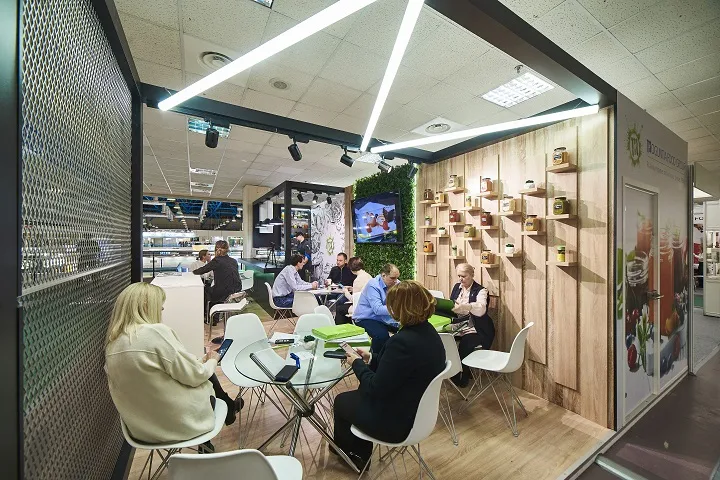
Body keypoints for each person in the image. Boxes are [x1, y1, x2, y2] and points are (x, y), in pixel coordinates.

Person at [105, 283, 240, 447]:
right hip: (181, 425)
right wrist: (213, 360)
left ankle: (229, 410)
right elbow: (196, 375)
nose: (162, 310)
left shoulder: (112, 346)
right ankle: (228, 409)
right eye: (159, 305)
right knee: (207, 377)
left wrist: (198, 363)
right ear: (146, 305)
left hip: (141, 432)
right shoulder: (154, 333)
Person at [332, 281, 446, 470]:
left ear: (399, 308)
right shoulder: (428, 332)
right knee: (355, 398)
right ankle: (354, 451)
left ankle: (354, 455)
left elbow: (375, 387)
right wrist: (371, 358)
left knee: (342, 401)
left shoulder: (402, 342)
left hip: (396, 421)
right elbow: (400, 367)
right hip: (419, 412)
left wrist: (357, 363)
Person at [448, 263, 495, 388]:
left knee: (466, 343)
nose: (461, 279)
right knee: (446, 339)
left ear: (472, 275)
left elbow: (481, 309)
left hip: (478, 328)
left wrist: (466, 306)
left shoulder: (481, 291)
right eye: (459, 276)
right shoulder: (457, 287)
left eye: (464, 276)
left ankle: (463, 375)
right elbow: (452, 304)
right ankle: (451, 369)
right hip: (460, 325)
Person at [352, 263, 401, 354]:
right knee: (381, 336)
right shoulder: (373, 285)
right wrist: (398, 309)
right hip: (365, 318)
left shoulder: (397, 283)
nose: (396, 281)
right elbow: (378, 309)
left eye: (397, 278)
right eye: (392, 278)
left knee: (408, 329)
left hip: (383, 318)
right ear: (383, 275)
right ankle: (375, 360)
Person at [193, 240, 241, 308]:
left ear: (216, 249)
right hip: (237, 290)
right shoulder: (233, 260)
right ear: (227, 249)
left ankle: (208, 311)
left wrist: (192, 272)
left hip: (223, 292)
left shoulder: (216, 261)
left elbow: (202, 270)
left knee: (203, 290)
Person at [335, 257, 372, 324]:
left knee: (339, 308)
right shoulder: (368, 276)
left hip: (361, 308)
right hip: (369, 305)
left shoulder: (358, 280)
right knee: (344, 306)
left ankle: (341, 328)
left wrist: (346, 292)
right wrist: (352, 288)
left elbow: (354, 300)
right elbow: (362, 291)